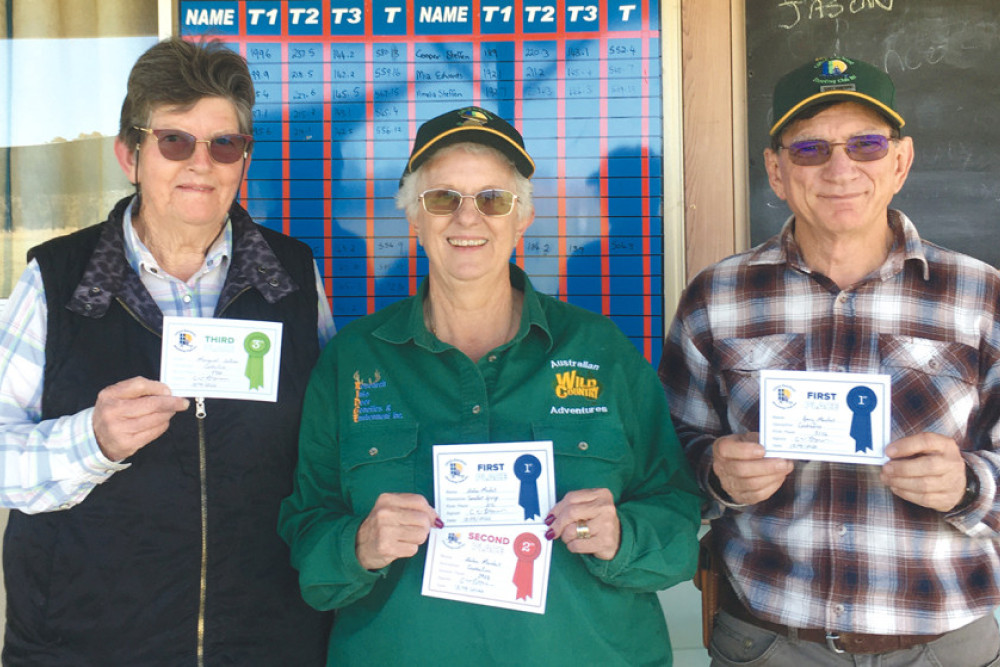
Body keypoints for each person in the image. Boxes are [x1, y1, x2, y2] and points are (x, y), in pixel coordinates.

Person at [278, 106, 702, 665]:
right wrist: (359, 545)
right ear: (413, 215)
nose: (467, 218)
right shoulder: (353, 362)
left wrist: (621, 535)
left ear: (522, 216)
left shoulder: (601, 351)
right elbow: (305, 531)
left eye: (493, 199)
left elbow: (677, 517)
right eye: (443, 198)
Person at [0, 38, 333, 664]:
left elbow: (330, 442)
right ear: (130, 154)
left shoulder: (292, 276)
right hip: (86, 644)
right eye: (174, 140)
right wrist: (89, 440)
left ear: (243, 159)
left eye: (223, 144)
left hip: (263, 640)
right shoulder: (58, 278)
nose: (199, 164)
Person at [660, 56, 1000, 665]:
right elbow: (669, 452)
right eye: (811, 149)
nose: (840, 169)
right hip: (769, 643)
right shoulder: (716, 297)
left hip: (944, 645)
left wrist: (968, 484)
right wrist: (715, 473)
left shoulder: (982, 295)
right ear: (777, 170)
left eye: (866, 145)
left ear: (900, 162)